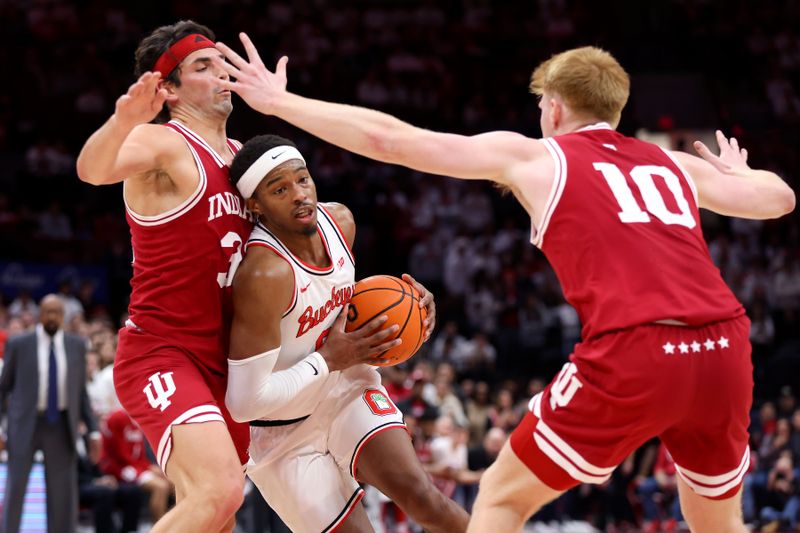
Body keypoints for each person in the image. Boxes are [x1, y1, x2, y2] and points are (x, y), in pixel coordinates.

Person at [213, 36, 796, 532]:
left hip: (637, 344)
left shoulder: (539, 156)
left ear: (554, 107)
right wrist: (740, 173)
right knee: (717, 518)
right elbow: (779, 198)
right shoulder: (670, 162)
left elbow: (391, 139)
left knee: (499, 499)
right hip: (724, 344)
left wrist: (281, 102)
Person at [225, 134, 470, 532]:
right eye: (280, 189)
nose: (299, 195)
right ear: (256, 205)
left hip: (344, 387)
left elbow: (345, 308)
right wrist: (327, 359)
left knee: (423, 497)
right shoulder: (264, 273)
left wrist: (413, 310)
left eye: (302, 180)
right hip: (279, 430)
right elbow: (243, 403)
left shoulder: (340, 222)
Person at [75, 20, 253, 532]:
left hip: (225, 363)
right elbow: (92, 169)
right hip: (163, 351)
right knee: (220, 492)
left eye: (222, 63)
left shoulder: (245, 158)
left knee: (215, 512)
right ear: (169, 89)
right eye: (203, 66)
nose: (221, 73)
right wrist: (122, 120)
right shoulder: (163, 144)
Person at [0, 294, 100, 533]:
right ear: (39, 315)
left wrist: (94, 431)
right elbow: (3, 389)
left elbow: (81, 393)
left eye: (57, 312)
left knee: (62, 493)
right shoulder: (19, 344)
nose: (52, 317)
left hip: (62, 423)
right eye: (48, 312)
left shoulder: (77, 345)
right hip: (25, 423)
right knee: (16, 487)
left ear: (63, 316)